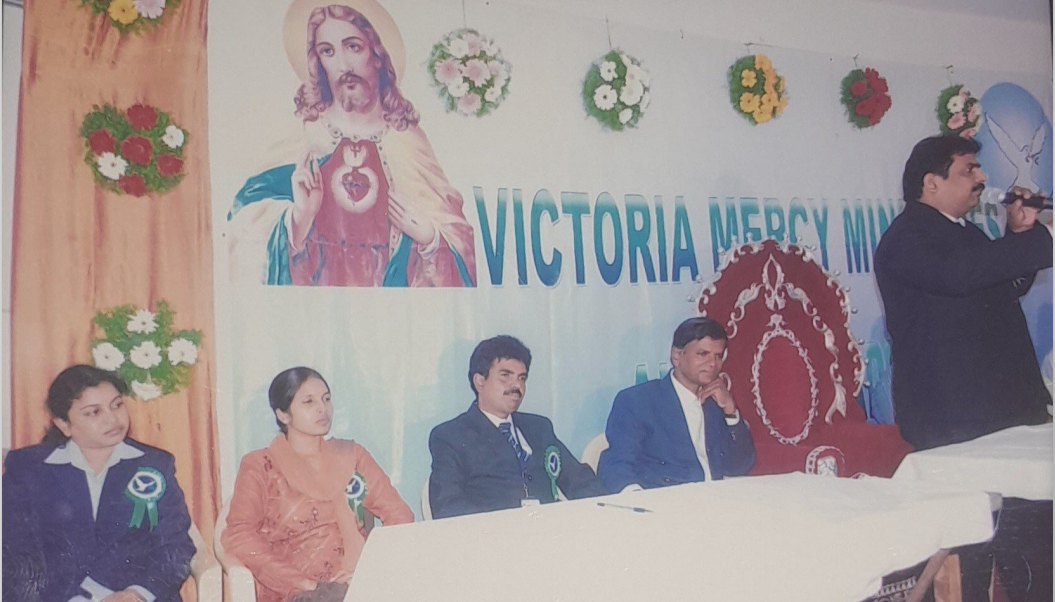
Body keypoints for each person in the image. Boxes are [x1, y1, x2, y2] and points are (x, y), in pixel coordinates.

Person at [227, 0, 476, 287]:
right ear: (318, 62)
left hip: (391, 307)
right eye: (327, 51)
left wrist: (430, 238)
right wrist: (298, 219)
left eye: (353, 47)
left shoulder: (407, 140)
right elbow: (242, 226)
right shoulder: (301, 135)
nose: (343, 65)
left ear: (377, 54)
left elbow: (461, 241)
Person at [874, 135, 1053, 450]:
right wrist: (1045, 239)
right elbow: (958, 274)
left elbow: (1000, 288)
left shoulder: (963, 231)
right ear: (932, 183)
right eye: (969, 170)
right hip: (954, 415)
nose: (982, 177)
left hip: (1000, 408)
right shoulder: (905, 238)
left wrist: (1020, 233)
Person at [2, 365, 195, 602]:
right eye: (94, 412)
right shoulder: (28, 469)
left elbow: (175, 546)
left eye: (117, 405)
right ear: (64, 424)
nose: (112, 419)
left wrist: (136, 594)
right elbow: (14, 554)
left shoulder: (155, 464)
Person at [221, 367, 413, 602]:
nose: (322, 408)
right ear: (283, 415)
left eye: (326, 399)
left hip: (358, 583)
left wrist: (371, 568)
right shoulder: (261, 466)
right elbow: (239, 534)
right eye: (309, 402)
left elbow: (400, 514)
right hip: (296, 591)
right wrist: (305, 584)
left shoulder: (353, 456)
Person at [428, 336, 606, 519]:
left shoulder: (539, 428)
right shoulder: (451, 436)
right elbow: (447, 505)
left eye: (522, 378)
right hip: (495, 532)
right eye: (505, 376)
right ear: (480, 381)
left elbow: (579, 479)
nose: (517, 385)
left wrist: (602, 511)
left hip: (551, 527)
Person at [598, 317, 756, 493]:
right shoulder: (638, 401)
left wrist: (730, 411)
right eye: (702, 354)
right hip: (667, 502)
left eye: (718, 356)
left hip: (716, 499)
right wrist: (637, 498)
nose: (713, 364)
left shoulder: (715, 401)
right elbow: (616, 463)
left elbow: (740, 466)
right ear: (677, 356)